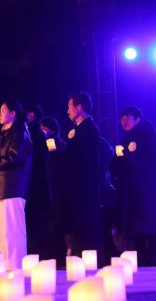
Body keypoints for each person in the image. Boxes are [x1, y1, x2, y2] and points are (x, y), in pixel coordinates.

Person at [116, 106, 156, 266]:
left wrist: (129, 159)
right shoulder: (127, 139)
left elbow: (149, 159)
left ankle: (151, 256)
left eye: (129, 118)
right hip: (134, 187)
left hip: (147, 187)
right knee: (138, 224)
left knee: (149, 222)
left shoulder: (146, 135)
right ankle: (142, 256)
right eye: (123, 118)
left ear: (138, 120)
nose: (125, 121)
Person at [0, 100, 32, 270]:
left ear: (13, 113)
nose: (0, 113)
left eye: (3, 110)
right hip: (3, 188)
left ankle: (17, 267)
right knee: (4, 232)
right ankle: (8, 266)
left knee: (14, 231)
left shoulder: (19, 133)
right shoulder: (4, 134)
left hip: (13, 187)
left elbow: (15, 157)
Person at [63, 91, 103, 264]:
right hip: (76, 188)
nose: (68, 111)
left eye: (70, 107)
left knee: (87, 227)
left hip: (85, 188)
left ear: (79, 107)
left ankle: (92, 263)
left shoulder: (89, 129)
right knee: (78, 227)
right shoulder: (79, 129)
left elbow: (85, 160)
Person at [24, 104, 51, 257]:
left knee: (36, 223)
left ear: (32, 115)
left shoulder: (34, 133)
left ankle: (38, 254)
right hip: (38, 183)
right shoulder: (34, 132)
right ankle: (38, 253)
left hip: (35, 183)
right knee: (36, 223)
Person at [40, 117, 68, 264]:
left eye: (44, 129)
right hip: (49, 190)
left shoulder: (59, 144)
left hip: (57, 191)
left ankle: (58, 257)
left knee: (56, 225)